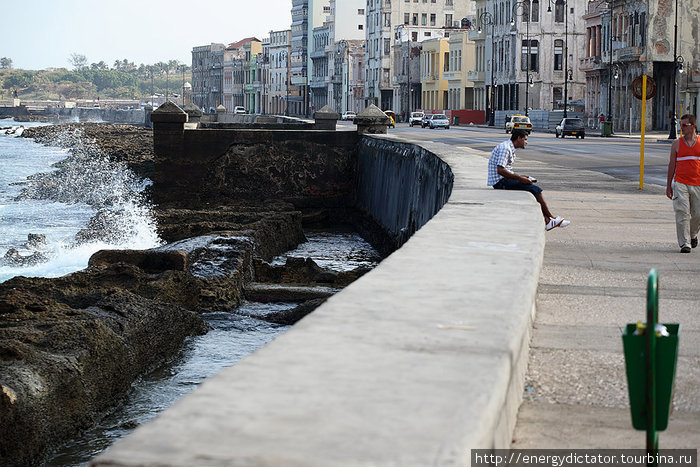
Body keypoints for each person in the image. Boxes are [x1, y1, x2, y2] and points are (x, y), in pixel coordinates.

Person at [488, 129, 570, 231]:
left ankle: (548, 220)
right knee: (535, 190)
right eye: (525, 139)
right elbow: (500, 170)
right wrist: (519, 178)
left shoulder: (509, 147)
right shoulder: (506, 149)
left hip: (503, 179)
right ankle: (551, 218)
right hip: (500, 182)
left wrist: (521, 177)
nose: (526, 142)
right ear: (519, 138)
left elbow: (505, 169)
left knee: (530, 185)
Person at [666, 114, 700, 253]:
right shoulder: (676, 144)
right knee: (682, 213)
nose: (682, 128)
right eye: (681, 125)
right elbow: (672, 165)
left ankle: (692, 234)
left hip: (698, 183)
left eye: (685, 125)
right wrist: (669, 185)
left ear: (693, 126)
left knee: (698, 214)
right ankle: (685, 243)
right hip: (681, 183)